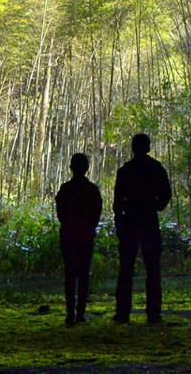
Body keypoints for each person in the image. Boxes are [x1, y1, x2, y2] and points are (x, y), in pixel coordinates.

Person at [112, 132, 172, 323]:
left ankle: (123, 313)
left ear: (133, 147)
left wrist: (120, 221)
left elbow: (117, 202)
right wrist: (155, 207)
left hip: (130, 222)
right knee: (152, 270)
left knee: (126, 270)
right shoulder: (155, 169)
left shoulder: (126, 171)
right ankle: (153, 313)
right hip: (148, 221)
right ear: (148, 147)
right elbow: (165, 194)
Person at [54, 152, 102, 326]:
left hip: (69, 235)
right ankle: (80, 312)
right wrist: (88, 227)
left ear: (71, 168)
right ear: (87, 168)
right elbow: (96, 213)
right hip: (85, 235)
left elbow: (61, 213)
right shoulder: (91, 190)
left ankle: (70, 313)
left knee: (70, 273)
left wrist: (70, 225)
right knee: (83, 274)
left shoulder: (65, 189)